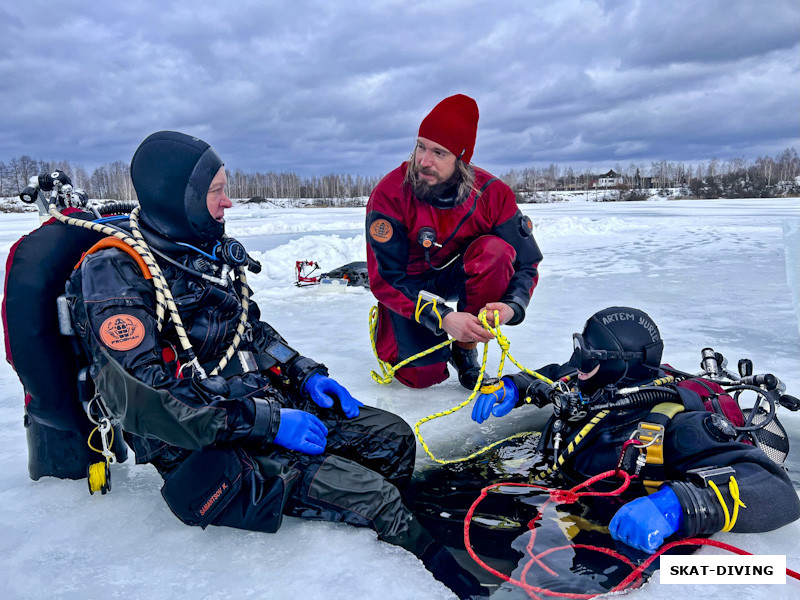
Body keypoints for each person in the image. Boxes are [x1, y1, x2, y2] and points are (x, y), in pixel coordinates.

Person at [64, 131, 487, 599]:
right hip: (200, 444)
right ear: (176, 198)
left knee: (392, 440)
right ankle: (451, 583)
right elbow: (148, 399)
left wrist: (305, 373)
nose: (228, 203)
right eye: (215, 192)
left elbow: (252, 331)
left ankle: (387, 531)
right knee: (374, 498)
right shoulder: (116, 272)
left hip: (257, 404)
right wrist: (267, 424)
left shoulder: (201, 252)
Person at [469, 306, 799, 554]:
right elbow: (559, 373)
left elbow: (778, 492)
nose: (577, 363)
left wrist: (681, 505)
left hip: (614, 529)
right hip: (560, 495)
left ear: (618, 364)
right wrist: (514, 386)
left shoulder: (677, 428)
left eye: (586, 356)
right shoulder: (594, 383)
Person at [366, 94, 543, 390]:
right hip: (408, 284)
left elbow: (527, 262)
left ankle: (464, 348)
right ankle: (394, 323)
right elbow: (385, 280)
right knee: (421, 378)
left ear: (461, 158)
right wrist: (444, 317)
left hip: (457, 274)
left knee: (496, 251)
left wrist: (513, 307)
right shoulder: (389, 194)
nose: (424, 161)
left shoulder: (492, 194)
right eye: (420, 146)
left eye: (439, 153)